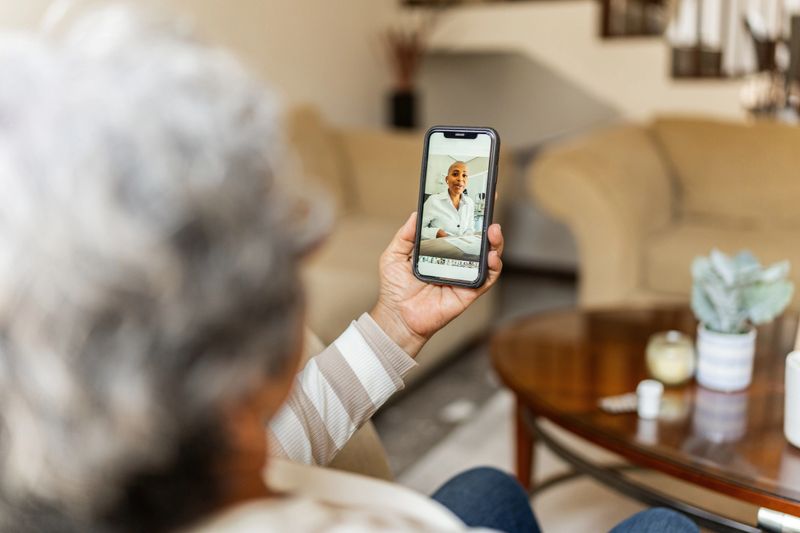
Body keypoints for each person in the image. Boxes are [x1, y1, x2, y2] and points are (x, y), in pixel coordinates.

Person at [0, 5, 699, 533]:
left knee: (490, 481)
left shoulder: (156, 455)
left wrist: (397, 323)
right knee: (664, 524)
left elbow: (275, 442)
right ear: (254, 348)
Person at [420, 161, 476, 239]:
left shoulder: (470, 202)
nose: (460, 179)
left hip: (464, 247)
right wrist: (437, 233)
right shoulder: (433, 200)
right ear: (447, 179)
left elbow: (470, 228)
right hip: (441, 247)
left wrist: (467, 238)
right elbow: (418, 229)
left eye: (464, 175)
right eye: (455, 174)